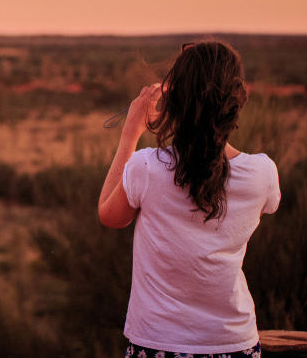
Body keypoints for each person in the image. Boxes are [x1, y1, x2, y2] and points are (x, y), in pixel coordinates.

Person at [98, 39, 280, 358]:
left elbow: (109, 215)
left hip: (157, 343)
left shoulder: (146, 167)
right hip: (235, 344)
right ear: (236, 100)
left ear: (175, 101)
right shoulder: (262, 173)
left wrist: (130, 132)